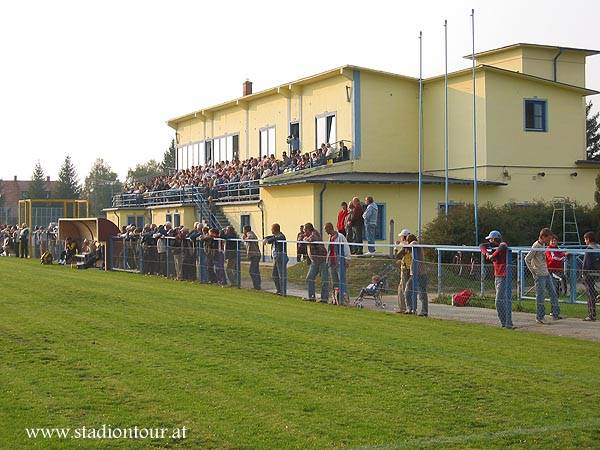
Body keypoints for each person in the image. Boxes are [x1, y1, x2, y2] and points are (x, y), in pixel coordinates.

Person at [524, 228, 562, 324]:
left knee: (553, 293)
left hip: (546, 273)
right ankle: (540, 317)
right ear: (543, 237)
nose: (549, 241)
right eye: (548, 238)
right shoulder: (536, 245)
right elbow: (527, 259)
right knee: (540, 296)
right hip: (539, 274)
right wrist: (533, 271)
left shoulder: (543, 245)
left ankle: (555, 313)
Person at [480, 230, 513, 329]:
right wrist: (486, 254)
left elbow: (503, 245)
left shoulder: (502, 245)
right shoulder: (492, 246)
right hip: (497, 276)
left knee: (499, 301)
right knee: (501, 300)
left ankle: (506, 323)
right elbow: (481, 245)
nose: (489, 241)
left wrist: (492, 256)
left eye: (490, 239)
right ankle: (507, 322)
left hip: (504, 276)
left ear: (494, 239)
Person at [324, 222, 351, 305]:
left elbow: (346, 247)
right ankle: (335, 299)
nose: (325, 231)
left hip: (339, 262)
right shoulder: (330, 238)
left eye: (326, 229)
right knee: (334, 281)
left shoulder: (340, 237)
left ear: (330, 228)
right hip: (331, 262)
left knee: (342, 280)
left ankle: (345, 299)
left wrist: (347, 258)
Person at [303, 223, 329, 302]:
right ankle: (311, 297)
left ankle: (324, 299)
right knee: (310, 278)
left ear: (308, 229)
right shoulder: (310, 235)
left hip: (322, 260)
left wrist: (305, 239)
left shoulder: (315, 234)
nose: (304, 233)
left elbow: (312, 239)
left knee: (324, 280)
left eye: (305, 230)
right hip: (314, 261)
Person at [404, 234, 428, 316]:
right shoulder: (411, 248)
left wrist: (402, 243)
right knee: (407, 290)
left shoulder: (415, 243)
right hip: (413, 274)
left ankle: (424, 311)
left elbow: (411, 244)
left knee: (422, 293)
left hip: (420, 273)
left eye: (407, 240)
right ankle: (410, 308)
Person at [264, 223, 288, 295]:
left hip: (281, 257)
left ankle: (283, 292)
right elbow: (270, 237)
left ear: (274, 229)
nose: (271, 230)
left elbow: (277, 238)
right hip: (276, 258)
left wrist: (268, 241)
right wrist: (266, 239)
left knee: (281, 275)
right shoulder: (275, 236)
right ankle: (279, 290)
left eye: (271, 229)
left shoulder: (281, 236)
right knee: (274, 274)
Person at [582, 231, 600, 321]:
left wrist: (583, 274)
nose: (585, 241)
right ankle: (597, 296)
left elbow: (586, 264)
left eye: (585, 239)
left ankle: (591, 314)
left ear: (588, 239)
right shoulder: (598, 247)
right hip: (597, 272)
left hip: (589, 274)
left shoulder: (589, 249)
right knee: (592, 292)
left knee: (590, 294)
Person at [394, 229, 412, 313]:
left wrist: (395, 247)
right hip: (405, 268)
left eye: (401, 236)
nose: (400, 238)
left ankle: (405, 308)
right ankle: (403, 307)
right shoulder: (407, 245)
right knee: (401, 288)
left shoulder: (406, 246)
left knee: (404, 288)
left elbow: (397, 256)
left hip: (406, 269)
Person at [242, 225, 261, 290]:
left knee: (252, 271)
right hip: (255, 255)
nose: (243, 231)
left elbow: (251, 238)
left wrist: (245, 238)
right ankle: (258, 285)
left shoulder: (250, 234)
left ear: (245, 230)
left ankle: (257, 286)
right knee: (256, 270)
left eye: (243, 230)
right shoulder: (249, 234)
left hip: (255, 255)